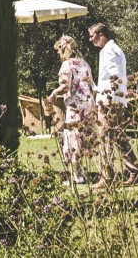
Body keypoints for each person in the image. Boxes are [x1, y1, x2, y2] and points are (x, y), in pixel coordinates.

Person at [87, 22, 138, 185]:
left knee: (105, 138)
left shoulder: (108, 50)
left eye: (92, 36)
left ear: (101, 35)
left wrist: (108, 97)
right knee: (118, 136)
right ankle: (134, 170)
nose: (91, 40)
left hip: (109, 100)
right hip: (115, 98)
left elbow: (114, 74)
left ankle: (106, 176)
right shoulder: (114, 48)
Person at [46, 34, 94, 184]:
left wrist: (54, 93)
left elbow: (66, 84)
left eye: (58, 51)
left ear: (64, 49)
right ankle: (82, 172)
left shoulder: (67, 65)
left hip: (75, 107)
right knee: (84, 139)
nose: (57, 54)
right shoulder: (84, 63)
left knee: (72, 141)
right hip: (88, 105)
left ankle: (77, 176)